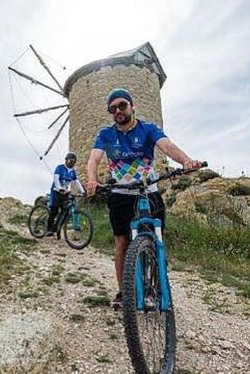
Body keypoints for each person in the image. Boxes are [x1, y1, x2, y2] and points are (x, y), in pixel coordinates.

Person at [85, 88, 203, 309]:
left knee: (156, 237)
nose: (118, 111)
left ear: (132, 106)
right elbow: (94, 159)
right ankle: (124, 291)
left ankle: (155, 281)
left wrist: (186, 161)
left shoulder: (148, 128)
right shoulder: (106, 134)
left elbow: (167, 146)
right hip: (120, 193)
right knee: (121, 241)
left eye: (122, 106)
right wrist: (92, 179)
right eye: (113, 109)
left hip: (149, 191)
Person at [46, 152, 86, 236]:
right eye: (70, 161)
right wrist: (59, 188)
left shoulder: (72, 172)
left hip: (65, 193)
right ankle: (49, 229)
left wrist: (82, 192)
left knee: (66, 211)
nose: (72, 163)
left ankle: (57, 227)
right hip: (56, 191)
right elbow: (56, 179)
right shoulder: (59, 168)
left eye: (73, 161)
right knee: (54, 210)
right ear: (66, 160)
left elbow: (76, 182)